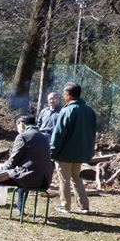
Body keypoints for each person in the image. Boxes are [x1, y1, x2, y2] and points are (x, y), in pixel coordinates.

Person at [0, 115, 53, 218]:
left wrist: (2, 167)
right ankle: (19, 208)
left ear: (22, 124)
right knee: (22, 173)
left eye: (17, 126)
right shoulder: (43, 137)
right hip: (44, 181)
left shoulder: (23, 136)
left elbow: (12, 161)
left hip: (29, 179)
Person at [50, 82, 97, 214]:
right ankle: (84, 206)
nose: (64, 96)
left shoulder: (67, 110)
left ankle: (65, 206)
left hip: (65, 154)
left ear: (69, 95)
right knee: (77, 178)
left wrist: (52, 151)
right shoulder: (89, 111)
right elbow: (92, 134)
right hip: (80, 153)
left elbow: (58, 134)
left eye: (64, 94)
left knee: (64, 179)